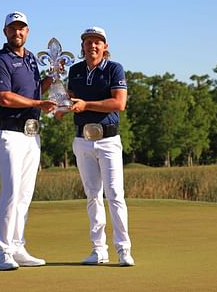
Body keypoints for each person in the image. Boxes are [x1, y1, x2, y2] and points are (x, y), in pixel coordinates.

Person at [0, 11, 57, 271]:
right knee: (11, 191)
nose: (18, 32)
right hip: (9, 133)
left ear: (28, 32)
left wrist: (53, 76)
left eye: (22, 28)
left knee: (25, 195)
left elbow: (37, 90)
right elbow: (4, 97)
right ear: (5, 31)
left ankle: (18, 247)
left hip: (31, 134)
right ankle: (4, 251)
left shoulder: (30, 60)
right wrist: (39, 103)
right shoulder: (1, 60)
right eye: (13, 28)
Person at [61, 26, 135, 266]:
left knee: (115, 195)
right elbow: (67, 99)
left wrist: (86, 105)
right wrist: (60, 107)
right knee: (93, 196)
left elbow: (119, 103)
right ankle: (98, 250)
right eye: (88, 42)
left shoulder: (114, 69)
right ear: (82, 46)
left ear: (105, 46)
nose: (92, 45)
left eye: (97, 42)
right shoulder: (75, 70)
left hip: (108, 140)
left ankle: (123, 250)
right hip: (82, 141)